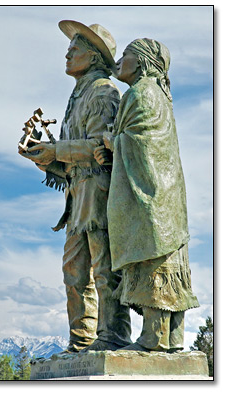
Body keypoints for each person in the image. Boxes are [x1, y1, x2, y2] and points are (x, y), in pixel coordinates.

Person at [19, 20, 131, 353]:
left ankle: (113, 335)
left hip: (99, 192)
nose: (68, 52)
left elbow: (101, 146)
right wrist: (41, 155)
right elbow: (69, 159)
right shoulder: (78, 94)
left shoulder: (103, 91)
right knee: (74, 270)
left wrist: (56, 151)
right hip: (77, 195)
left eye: (76, 47)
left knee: (104, 267)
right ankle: (81, 340)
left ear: (95, 57)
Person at [94, 38, 199, 352]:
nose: (119, 60)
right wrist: (115, 150)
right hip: (165, 197)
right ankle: (173, 340)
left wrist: (114, 142)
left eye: (125, 54)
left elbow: (143, 143)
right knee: (166, 264)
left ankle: (153, 339)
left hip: (151, 198)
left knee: (153, 263)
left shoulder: (141, 92)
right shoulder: (158, 95)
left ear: (139, 61)